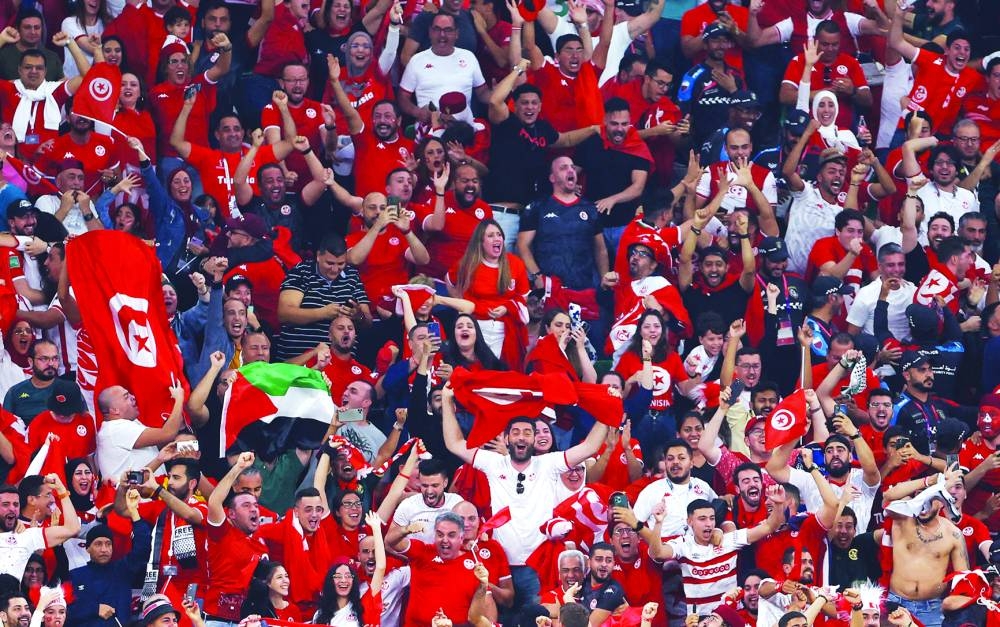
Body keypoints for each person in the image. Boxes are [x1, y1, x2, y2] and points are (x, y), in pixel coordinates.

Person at [441, 383, 609, 608]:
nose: (522, 438)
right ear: (507, 439)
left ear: (533, 439)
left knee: (538, 619)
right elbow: (455, 444)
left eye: (527, 433)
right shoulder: (493, 463)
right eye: (516, 433)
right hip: (501, 565)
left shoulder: (549, 463)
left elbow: (590, 447)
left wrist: (608, 408)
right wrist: (446, 400)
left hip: (538, 565)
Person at [446, 219, 530, 369]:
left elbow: (523, 297)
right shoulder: (468, 264)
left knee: (501, 372)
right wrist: (462, 303)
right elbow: (450, 281)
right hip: (476, 327)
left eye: (499, 234)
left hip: (504, 329)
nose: (497, 238)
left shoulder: (515, 264)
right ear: (481, 242)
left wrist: (507, 307)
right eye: (491, 235)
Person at [275, 233, 370, 361]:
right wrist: (322, 313)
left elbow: (368, 321)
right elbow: (284, 314)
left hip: (340, 361)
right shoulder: (301, 272)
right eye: (330, 263)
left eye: (340, 264)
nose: (335, 269)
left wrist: (358, 316)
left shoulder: (352, 276)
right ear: (318, 256)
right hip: (298, 360)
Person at [68, 489, 151, 627]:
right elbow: (65, 612)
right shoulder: (75, 575)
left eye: (108, 544)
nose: (104, 549)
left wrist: (133, 512)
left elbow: (143, 547)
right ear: (87, 548)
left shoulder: (123, 569)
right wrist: (95, 609)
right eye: (98, 544)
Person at [388, 511, 482, 627]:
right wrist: (406, 529)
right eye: (440, 534)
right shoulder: (423, 552)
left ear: (461, 538)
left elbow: (479, 614)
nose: (445, 540)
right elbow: (391, 541)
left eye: (451, 535)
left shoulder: (475, 564)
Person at [94, 380, 185, 479]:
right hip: (132, 493)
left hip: (148, 490)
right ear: (115, 410)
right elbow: (167, 434)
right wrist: (179, 399)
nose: (133, 397)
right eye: (126, 397)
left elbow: (160, 442)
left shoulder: (128, 423)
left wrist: (184, 445)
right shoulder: (114, 429)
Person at [2, 339, 59, 424]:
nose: (50, 363)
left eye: (54, 358)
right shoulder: (14, 393)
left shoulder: (70, 389)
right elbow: (6, 428)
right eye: (44, 359)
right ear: (30, 362)